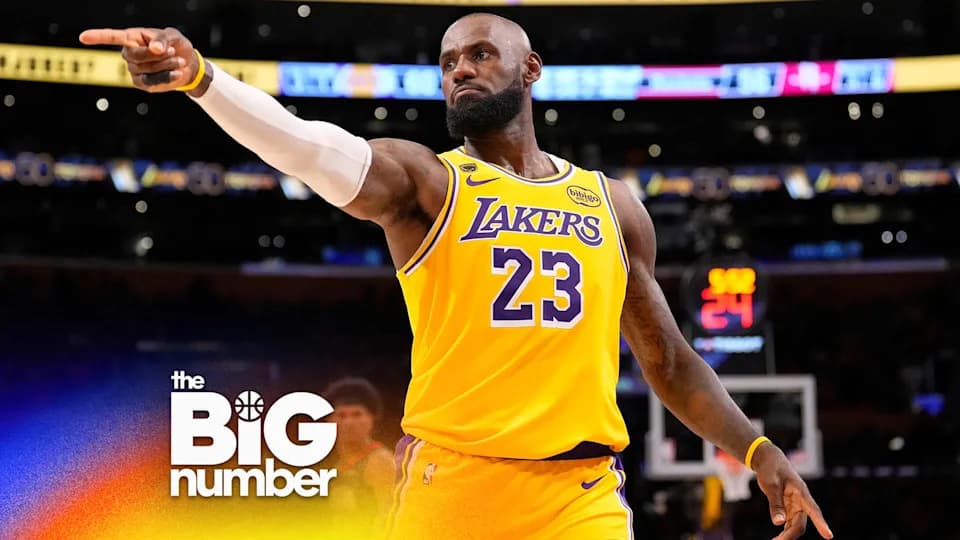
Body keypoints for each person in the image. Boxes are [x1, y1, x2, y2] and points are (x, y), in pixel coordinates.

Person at [80, 13, 833, 540]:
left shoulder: (614, 206)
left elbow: (668, 361)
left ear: (531, 70)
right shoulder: (428, 185)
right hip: (454, 488)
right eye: (447, 63)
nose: (460, 71)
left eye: (478, 54)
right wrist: (203, 79)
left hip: (580, 495)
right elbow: (309, 148)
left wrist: (760, 451)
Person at [322, 377, 396, 535]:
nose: (349, 422)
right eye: (341, 415)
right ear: (329, 420)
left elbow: (391, 517)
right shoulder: (338, 465)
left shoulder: (379, 461)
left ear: (371, 419)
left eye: (357, 414)